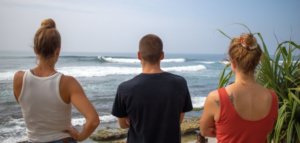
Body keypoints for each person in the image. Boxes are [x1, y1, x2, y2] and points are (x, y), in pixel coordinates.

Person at [13, 18, 100, 143]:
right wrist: (80, 137)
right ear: (57, 51)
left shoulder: (19, 78)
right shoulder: (68, 83)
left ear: (35, 49)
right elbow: (93, 120)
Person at [111, 34, 193, 143]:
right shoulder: (180, 83)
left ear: (139, 55)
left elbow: (122, 125)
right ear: (162, 55)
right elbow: (178, 120)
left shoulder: (125, 88)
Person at [199, 33, 278, 143]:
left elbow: (204, 131)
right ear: (257, 61)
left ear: (233, 63)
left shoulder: (216, 98)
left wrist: (226, 130)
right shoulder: (272, 98)